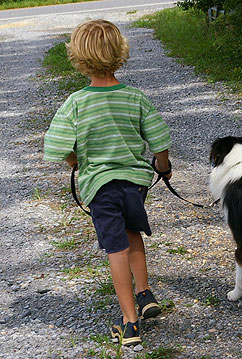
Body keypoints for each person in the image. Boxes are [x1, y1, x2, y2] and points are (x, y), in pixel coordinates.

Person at [43, 19, 172, 346]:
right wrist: (164, 167)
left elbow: (57, 146)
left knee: (116, 249)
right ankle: (145, 295)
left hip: (101, 188)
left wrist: (77, 162)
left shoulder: (75, 103)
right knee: (133, 233)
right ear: (120, 53)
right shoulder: (135, 98)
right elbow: (159, 139)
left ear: (78, 57)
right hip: (134, 185)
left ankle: (129, 323)